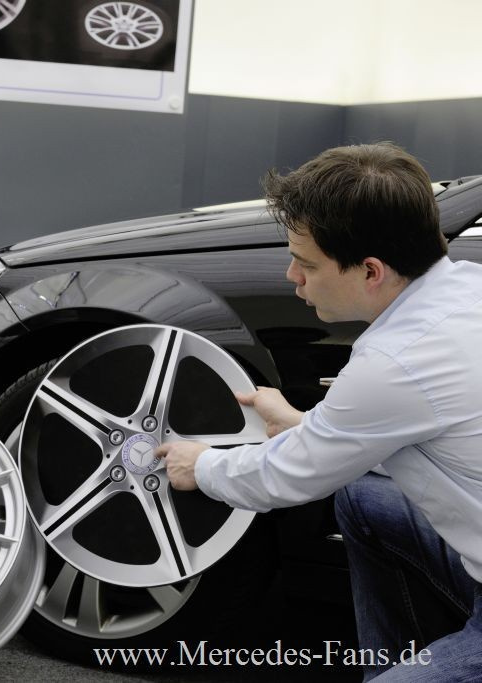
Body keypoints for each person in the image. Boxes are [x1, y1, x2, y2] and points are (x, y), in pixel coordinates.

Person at [157, 142, 482, 680]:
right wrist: (304, 425)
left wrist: (201, 465)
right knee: (363, 497)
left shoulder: (394, 360)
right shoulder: (468, 287)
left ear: (371, 271)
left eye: (306, 263)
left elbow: (286, 476)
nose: (292, 276)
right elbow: (412, 432)